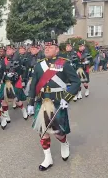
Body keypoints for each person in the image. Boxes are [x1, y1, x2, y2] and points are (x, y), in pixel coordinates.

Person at [27, 38, 81, 171]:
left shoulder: (64, 64)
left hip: (58, 101)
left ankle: (64, 143)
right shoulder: (39, 65)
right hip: (42, 101)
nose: (47, 48)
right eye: (46, 47)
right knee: (42, 131)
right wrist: (30, 102)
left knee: (58, 132)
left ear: (57, 49)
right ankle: (48, 158)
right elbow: (34, 85)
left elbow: (76, 82)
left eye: (50, 47)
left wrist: (67, 98)